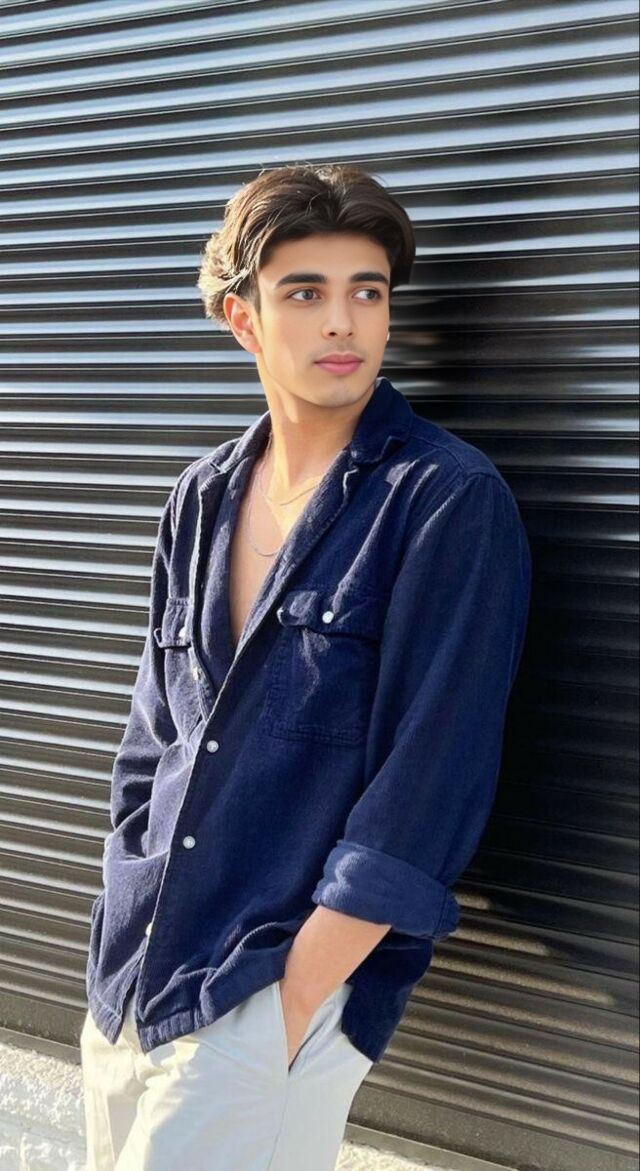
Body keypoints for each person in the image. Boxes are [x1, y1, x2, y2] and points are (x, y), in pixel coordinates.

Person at [80, 162, 532, 1171]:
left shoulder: (443, 502)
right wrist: (121, 903)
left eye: (366, 291)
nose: (343, 322)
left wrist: (292, 1001)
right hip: (134, 979)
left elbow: (432, 782)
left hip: (266, 997)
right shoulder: (200, 498)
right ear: (243, 320)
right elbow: (152, 741)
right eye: (305, 292)